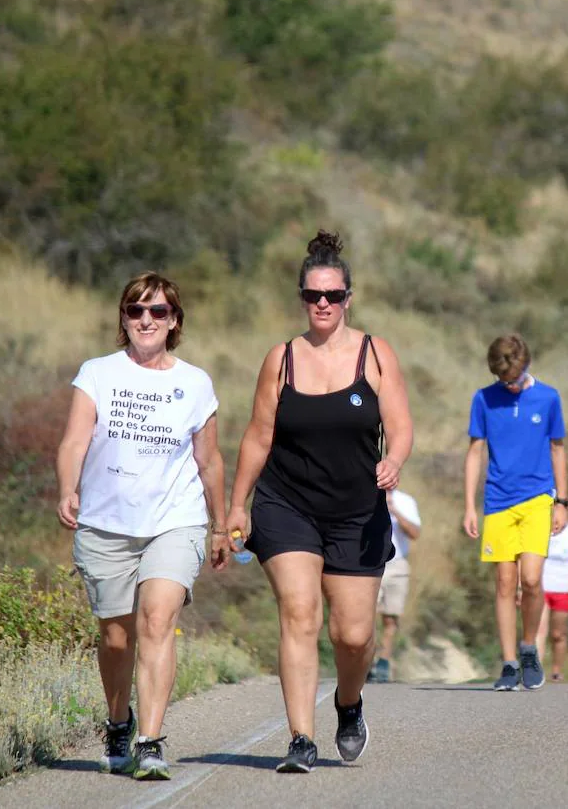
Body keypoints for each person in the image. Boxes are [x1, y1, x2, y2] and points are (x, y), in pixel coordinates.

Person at [227, 231, 413, 773]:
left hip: (357, 513)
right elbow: (258, 437)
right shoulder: (281, 360)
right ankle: (300, 739)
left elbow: (400, 427)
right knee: (299, 613)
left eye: (333, 295)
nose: (323, 304)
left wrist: (394, 460)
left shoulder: (375, 355)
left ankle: (348, 703)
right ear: (302, 299)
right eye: (313, 296)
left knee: (352, 636)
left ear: (349, 297)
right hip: (287, 506)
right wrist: (237, 508)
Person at [55, 272, 227, 781]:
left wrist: (219, 526)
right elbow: (73, 443)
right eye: (136, 310)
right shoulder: (97, 373)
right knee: (115, 637)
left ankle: (151, 742)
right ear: (123, 318)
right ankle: (118, 722)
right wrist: (68, 487)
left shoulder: (194, 383)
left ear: (174, 321)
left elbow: (210, 460)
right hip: (107, 524)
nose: (146, 320)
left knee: (156, 619)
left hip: (175, 522)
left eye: (158, 312)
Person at [463, 334, 568, 691]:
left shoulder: (548, 397)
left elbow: (557, 450)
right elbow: (475, 451)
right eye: (503, 380)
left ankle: (528, 648)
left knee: (533, 579)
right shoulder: (483, 399)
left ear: (527, 365)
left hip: (538, 498)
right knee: (505, 583)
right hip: (497, 502)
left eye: (515, 378)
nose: (510, 386)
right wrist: (469, 506)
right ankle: (509, 663)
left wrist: (562, 502)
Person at [370, 488, 422, 684]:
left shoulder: (406, 500)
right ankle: (367, 660)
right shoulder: (368, 494)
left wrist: (395, 511)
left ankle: (384, 661)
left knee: (391, 618)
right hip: (370, 561)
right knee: (367, 615)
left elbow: (415, 533)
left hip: (398, 563)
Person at [535, 516, 568, 681]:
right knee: (539, 630)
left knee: (558, 633)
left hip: (564, 588)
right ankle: (536, 671)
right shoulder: (540, 526)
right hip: (542, 587)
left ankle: (557, 670)